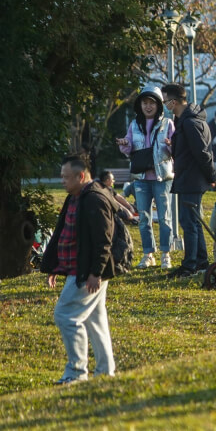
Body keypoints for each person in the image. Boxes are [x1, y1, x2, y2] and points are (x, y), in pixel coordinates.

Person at [41, 155, 116, 385]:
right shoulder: (75, 197)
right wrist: (55, 265)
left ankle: (76, 372)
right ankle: (106, 372)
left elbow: (104, 240)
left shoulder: (94, 199)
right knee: (95, 320)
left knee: (65, 315)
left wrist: (96, 272)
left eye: (65, 177)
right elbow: (65, 234)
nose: (61, 180)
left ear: (80, 176)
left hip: (87, 273)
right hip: (78, 269)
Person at [115, 85, 175, 269]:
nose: (148, 106)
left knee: (164, 218)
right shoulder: (134, 124)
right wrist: (125, 144)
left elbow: (176, 149)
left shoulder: (168, 124)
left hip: (162, 177)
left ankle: (166, 254)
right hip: (141, 177)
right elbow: (128, 149)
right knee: (143, 217)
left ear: (158, 105)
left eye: (152, 103)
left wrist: (171, 145)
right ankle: (149, 254)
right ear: (140, 105)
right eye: (144, 103)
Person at [161, 83, 216, 279]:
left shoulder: (189, 123)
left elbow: (202, 153)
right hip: (190, 177)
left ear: (173, 101)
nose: (164, 104)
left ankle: (189, 266)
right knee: (194, 221)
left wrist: (212, 176)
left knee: (189, 222)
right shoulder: (187, 120)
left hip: (192, 179)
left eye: (164, 100)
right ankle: (201, 262)